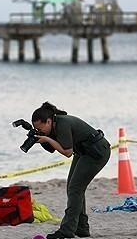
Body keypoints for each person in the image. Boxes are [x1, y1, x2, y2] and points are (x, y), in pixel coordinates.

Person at [31, 102, 110, 239]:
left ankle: (67, 230)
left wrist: (47, 139)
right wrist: (43, 139)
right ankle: (82, 228)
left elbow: (67, 152)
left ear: (48, 121)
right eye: (36, 129)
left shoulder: (62, 124)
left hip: (97, 152)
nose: (40, 131)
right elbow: (55, 147)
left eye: (40, 128)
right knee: (73, 187)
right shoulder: (54, 125)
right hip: (83, 152)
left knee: (75, 188)